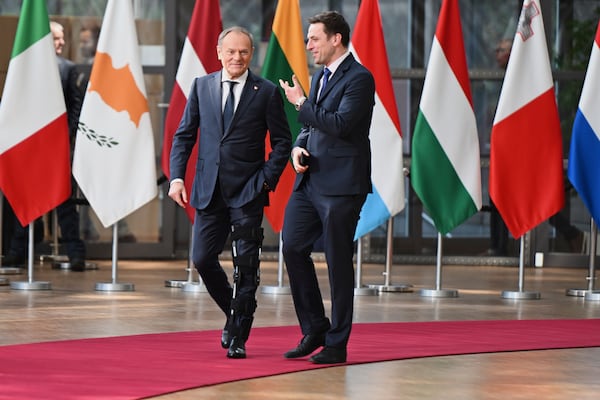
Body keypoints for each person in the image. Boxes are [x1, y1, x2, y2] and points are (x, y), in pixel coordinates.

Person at [168, 26, 292, 359]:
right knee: (203, 259)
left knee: (246, 266)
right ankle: (235, 314)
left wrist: (267, 179)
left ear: (252, 54)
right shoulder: (201, 86)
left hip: (248, 191)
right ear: (219, 52)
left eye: (244, 52)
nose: (237, 58)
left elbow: (282, 142)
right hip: (208, 191)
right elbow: (183, 137)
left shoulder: (265, 92)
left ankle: (238, 335)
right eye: (231, 51)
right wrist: (177, 177)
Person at [278, 11, 375, 365]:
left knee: (337, 263)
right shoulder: (321, 76)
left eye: (314, 38)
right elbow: (312, 126)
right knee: (292, 247)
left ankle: (336, 344)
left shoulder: (361, 78)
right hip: (309, 180)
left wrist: (302, 105)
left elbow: (342, 125)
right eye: (307, 38)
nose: (308, 45)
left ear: (336, 39)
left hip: (341, 185)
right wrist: (296, 147)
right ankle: (315, 327)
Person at [3, 21, 86, 270]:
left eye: (62, 39)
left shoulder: (68, 69)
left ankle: (75, 253)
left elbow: (76, 106)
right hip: (29, 147)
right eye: (55, 38)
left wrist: (66, 136)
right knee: (26, 197)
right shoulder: (23, 69)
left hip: (57, 149)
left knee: (64, 202)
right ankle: (17, 251)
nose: (61, 43)